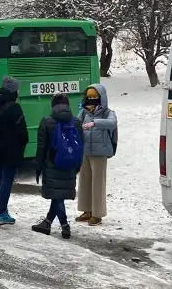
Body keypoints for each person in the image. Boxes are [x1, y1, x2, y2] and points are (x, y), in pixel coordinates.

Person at [32, 93, 84, 239]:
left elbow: (41, 147)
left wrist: (38, 166)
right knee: (58, 196)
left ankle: (64, 226)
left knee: (58, 196)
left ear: (53, 105)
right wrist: (77, 165)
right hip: (70, 163)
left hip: (53, 164)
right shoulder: (76, 122)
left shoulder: (47, 121)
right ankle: (48, 222)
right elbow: (81, 145)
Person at [0, 76, 29, 225]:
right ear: (13, 91)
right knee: (6, 180)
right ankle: (2, 212)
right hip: (11, 149)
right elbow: (22, 132)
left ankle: (1, 208)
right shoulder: (14, 108)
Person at [76, 84, 118, 226]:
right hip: (85, 151)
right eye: (89, 97)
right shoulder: (84, 112)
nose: (91, 99)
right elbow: (76, 122)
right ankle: (87, 211)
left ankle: (97, 214)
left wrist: (95, 123)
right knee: (84, 181)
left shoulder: (108, 113)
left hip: (100, 153)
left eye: (94, 97)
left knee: (98, 183)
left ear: (101, 98)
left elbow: (112, 123)